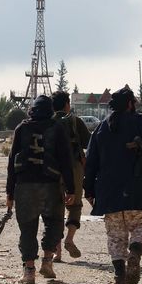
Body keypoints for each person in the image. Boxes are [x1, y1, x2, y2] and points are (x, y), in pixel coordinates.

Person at [84, 86, 142, 284]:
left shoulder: (102, 128)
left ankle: (120, 275)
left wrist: (89, 190)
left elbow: (91, 161)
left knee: (115, 235)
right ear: (130, 104)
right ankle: (135, 253)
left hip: (109, 191)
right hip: (139, 188)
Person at [6, 95, 75, 284]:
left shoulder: (22, 128)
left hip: (25, 186)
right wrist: (71, 189)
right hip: (51, 185)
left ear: (32, 110)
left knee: (27, 228)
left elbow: (12, 162)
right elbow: (66, 160)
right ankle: (47, 262)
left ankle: (29, 271)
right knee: (54, 224)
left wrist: (9, 193)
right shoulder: (57, 128)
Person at [51, 90, 91, 261]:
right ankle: (69, 239)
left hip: (53, 168)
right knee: (74, 205)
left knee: (55, 208)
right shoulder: (75, 121)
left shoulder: (48, 122)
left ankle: (57, 253)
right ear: (67, 104)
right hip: (74, 167)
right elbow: (89, 144)